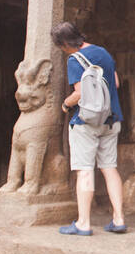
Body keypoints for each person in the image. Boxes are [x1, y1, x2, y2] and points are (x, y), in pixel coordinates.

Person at [52, 22, 128, 236]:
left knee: (85, 170)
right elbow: (116, 83)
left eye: (61, 47)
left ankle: (83, 223)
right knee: (109, 168)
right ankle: (119, 218)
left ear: (65, 43)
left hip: (86, 122)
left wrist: (66, 104)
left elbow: (79, 93)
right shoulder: (102, 52)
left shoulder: (74, 60)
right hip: (112, 119)